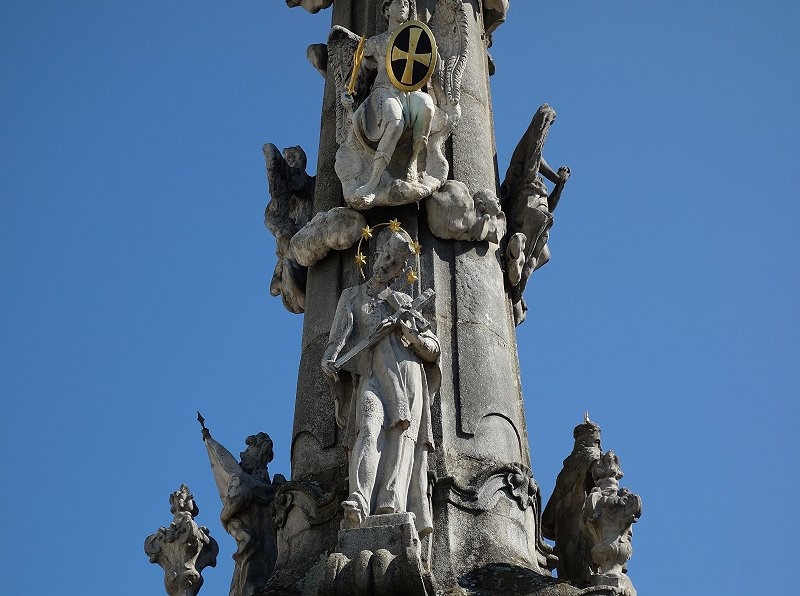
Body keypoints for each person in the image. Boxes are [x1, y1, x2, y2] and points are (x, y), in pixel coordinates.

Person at [321, 231, 440, 536]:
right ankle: (360, 499)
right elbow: (338, 338)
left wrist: (406, 330)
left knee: (401, 434)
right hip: (372, 376)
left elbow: (432, 346)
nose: (388, 264)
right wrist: (329, 359)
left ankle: (391, 502)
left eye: (396, 262)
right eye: (386, 255)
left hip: (404, 373)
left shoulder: (402, 301)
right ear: (375, 254)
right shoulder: (352, 296)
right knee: (368, 428)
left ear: (401, 271)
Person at [343, 0, 436, 197]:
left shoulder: (416, 38)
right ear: (386, 10)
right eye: (397, 2)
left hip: (409, 92)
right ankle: (374, 180)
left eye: (406, 3)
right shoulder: (377, 42)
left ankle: (413, 163)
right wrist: (349, 94)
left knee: (428, 106)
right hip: (383, 90)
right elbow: (359, 74)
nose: (403, 6)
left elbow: (429, 65)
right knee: (395, 121)